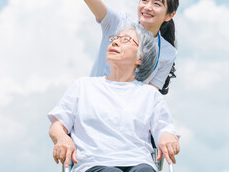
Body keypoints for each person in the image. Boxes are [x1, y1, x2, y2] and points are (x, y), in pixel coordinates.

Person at [36, 0, 178, 94]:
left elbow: (150, 94)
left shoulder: (168, 52)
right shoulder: (119, 23)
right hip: (92, 101)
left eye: (157, 4)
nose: (148, 7)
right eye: (145, 0)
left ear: (169, 15)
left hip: (127, 112)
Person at [48, 23, 180, 172]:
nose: (115, 42)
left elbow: (165, 129)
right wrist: (62, 138)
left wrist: (167, 137)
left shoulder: (150, 95)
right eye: (115, 39)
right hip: (93, 164)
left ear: (140, 58)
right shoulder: (82, 87)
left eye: (125, 40)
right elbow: (57, 126)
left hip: (139, 162)